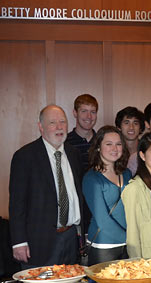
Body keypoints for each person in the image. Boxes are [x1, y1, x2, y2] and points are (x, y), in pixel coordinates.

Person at [10, 105, 85, 268]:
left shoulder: (74, 154)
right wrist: (18, 242)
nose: (59, 127)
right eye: (52, 123)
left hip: (71, 238)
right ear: (40, 127)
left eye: (62, 122)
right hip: (39, 242)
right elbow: (17, 204)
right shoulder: (25, 156)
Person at [82, 126, 131, 265]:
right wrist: (130, 238)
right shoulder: (91, 178)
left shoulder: (127, 173)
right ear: (98, 147)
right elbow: (102, 220)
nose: (114, 148)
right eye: (108, 144)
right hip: (104, 245)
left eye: (118, 144)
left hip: (128, 244)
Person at [66, 94, 98, 170]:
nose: (89, 116)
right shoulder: (65, 142)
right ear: (75, 113)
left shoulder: (102, 141)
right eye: (84, 111)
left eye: (93, 112)